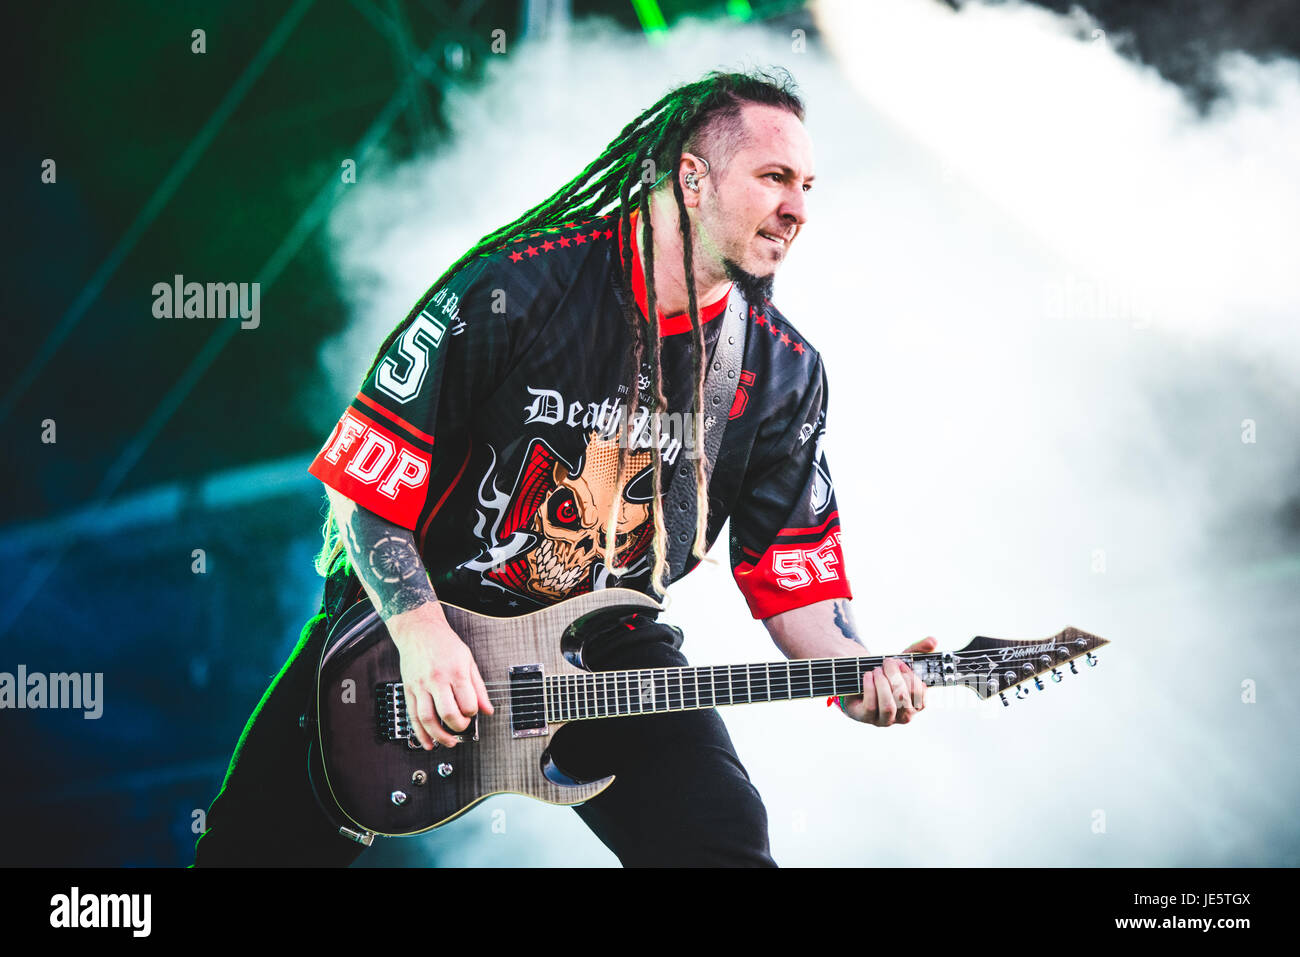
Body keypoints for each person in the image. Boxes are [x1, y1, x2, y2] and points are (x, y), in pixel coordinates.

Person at [193, 67, 934, 869]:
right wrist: (420, 632)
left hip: (606, 646)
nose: (796, 208)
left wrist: (857, 674)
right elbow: (364, 486)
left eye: (808, 185)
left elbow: (799, 580)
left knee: (720, 834)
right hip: (410, 622)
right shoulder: (520, 283)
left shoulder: (778, 369)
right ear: (692, 178)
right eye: (774, 178)